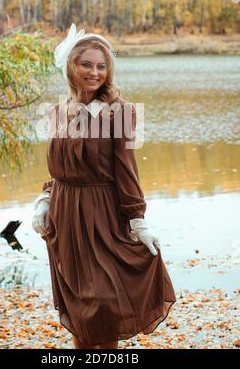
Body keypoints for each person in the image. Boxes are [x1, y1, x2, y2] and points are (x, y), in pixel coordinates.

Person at [32, 23, 176, 349]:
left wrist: (137, 220)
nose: (94, 72)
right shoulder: (56, 112)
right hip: (66, 217)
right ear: (71, 66)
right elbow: (60, 169)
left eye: (101, 66)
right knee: (81, 309)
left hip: (102, 214)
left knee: (105, 305)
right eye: (87, 64)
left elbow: (126, 170)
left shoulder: (119, 112)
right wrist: (45, 199)